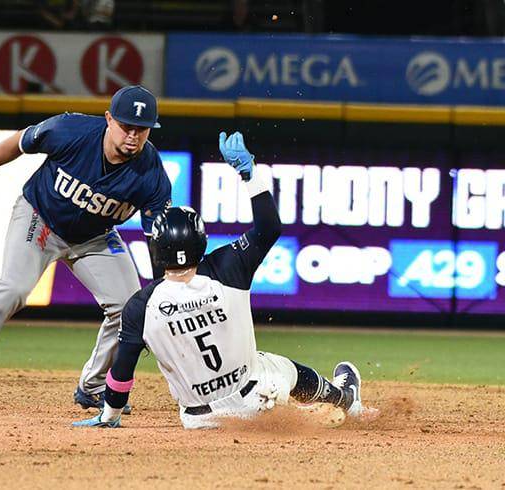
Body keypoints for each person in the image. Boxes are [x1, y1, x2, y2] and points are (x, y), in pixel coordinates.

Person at [73, 131, 375, 429]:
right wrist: (248, 173)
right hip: (257, 401)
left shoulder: (140, 306)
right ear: (201, 241)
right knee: (280, 367)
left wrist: (109, 416)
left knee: (248, 369)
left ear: (156, 248)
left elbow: (122, 371)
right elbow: (269, 227)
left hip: (199, 419)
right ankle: (345, 400)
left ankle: (307, 411)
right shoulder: (227, 267)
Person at [0, 85, 171, 412]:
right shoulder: (71, 130)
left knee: (130, 307)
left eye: (141, 129)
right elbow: (19, 142)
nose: (133, 135)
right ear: (108, 119)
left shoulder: (152, 175)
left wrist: (166, 290)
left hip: (95, 237)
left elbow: (157, 240)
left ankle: (92, 388)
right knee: (13, 288)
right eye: (126, 126)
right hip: (40, 218)